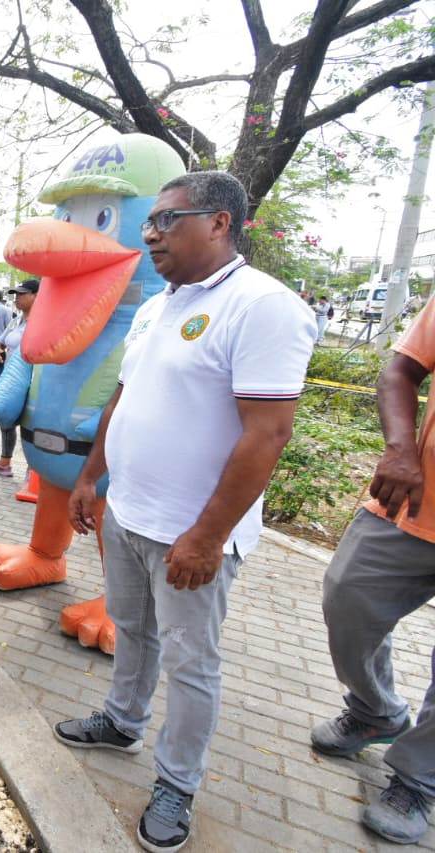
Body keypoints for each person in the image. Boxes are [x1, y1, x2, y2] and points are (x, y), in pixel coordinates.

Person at [53, 172, 316, 853]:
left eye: (167, 220)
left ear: (221, 223)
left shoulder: (262, 306)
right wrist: (90, 477)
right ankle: (122, 720)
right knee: (133, 632)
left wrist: (207, 535)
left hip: (191, 537)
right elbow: (124, 396)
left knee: (190, 662)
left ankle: (176, 780)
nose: (149, 232)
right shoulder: (158, 304)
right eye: (151, 222)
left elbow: (268, 434)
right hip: (128, 515)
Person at [311, 296, 435, 846]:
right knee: (347, 597)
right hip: (414, 498)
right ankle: (376, 710)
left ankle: (417, 778)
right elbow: (402, 369)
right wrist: (400, 447)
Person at [0, 279, 38, 477]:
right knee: (6, 420)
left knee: (29, 424)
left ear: (37, 296)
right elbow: (0, 340)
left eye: (23, 294)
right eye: (16, 294)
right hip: (10, 379)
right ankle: (4, 462)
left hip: (31, 382)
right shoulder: (16, 320)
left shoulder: (42, 322)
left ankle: (32, 470)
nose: (17, 298)